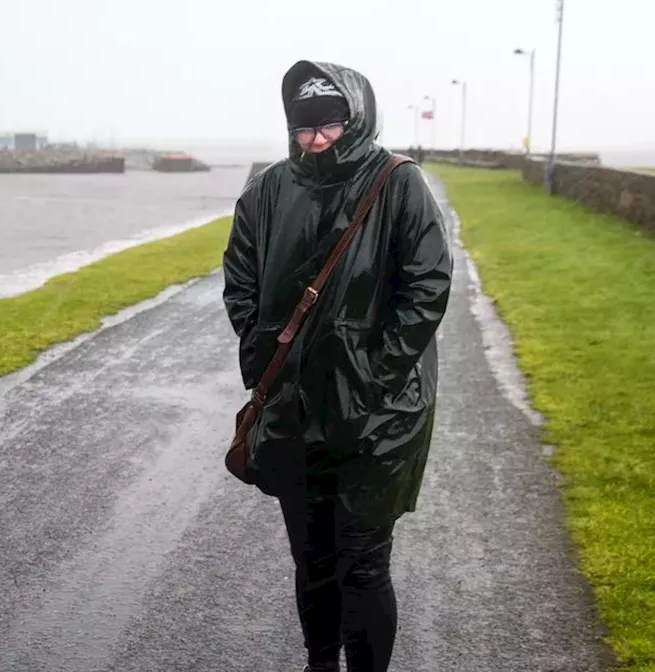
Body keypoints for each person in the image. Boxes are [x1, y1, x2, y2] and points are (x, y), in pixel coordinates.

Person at [221, 61, 452, 672]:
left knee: (364, 561)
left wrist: (376, 377)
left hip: (378, 416)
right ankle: (319, 664)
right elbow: (239, 277)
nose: (316, 139)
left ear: (354, 118)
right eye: (303, 128)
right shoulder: (269, 189)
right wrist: (262, 353)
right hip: (294, 408)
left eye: (328, 126)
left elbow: (428, 285)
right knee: (313, 559)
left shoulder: (399, 183)